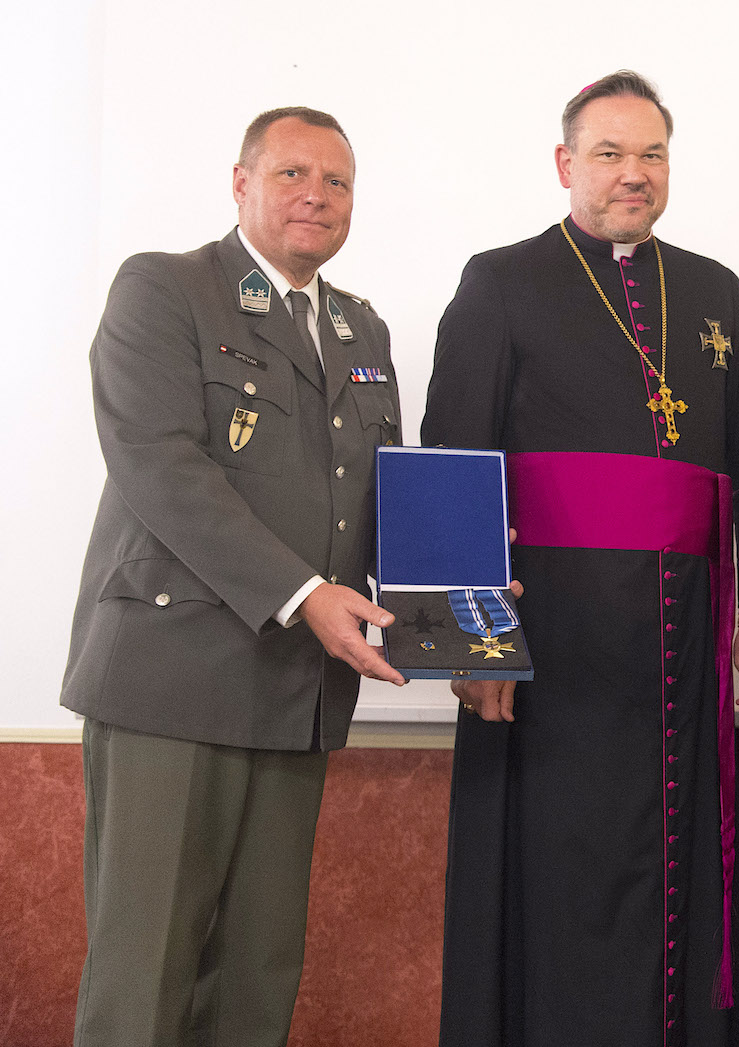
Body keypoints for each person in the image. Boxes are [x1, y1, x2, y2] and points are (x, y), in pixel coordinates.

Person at [423, 70, 739, 1047]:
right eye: (611, 154)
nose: (634, 175)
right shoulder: (500, 280)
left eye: (652, 154)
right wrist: (473, 641)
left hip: (682, 647)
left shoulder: (713, 290)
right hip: (547, 644)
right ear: (564, 164)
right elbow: (453, 462)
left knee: (670, 869)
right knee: (557, 873)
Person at [60, 107, 403, 1045]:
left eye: (337, 183)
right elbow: (162, 466)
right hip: (174, 679)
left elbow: (383, 498)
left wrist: (455, 594)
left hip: (299, 694)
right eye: (293, 174)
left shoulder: (359, 329)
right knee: (147, 973)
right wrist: (305, 595)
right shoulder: (165, 290)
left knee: (258, 975)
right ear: (241, 183)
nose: (317, 197)